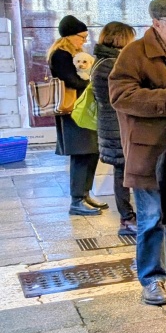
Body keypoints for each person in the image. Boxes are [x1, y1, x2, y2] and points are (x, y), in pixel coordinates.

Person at [109, 0, 166, 307]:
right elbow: (121, 96)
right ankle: (151, 278)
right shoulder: (134, 54)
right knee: (151, 217)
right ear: (156, 24)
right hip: (149, 152)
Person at [49, 15, 104, 216]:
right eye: (81, 36)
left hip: (81, 110)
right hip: (73, 111)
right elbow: (71, 80)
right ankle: (77, 200)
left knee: (91, 151)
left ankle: (85, 194)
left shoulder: (75, 53)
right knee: (81, 154)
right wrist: (93, 84)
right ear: (69, 36)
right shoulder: (61, 55)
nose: (84, 40)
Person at [91, 22, 137, 236]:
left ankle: (128, 217)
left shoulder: (102, 61)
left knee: (123, 171)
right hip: (116, 128)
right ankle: (127, 219)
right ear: (121, 39)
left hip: (111, 126)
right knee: (123, 172)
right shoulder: (111, 64)